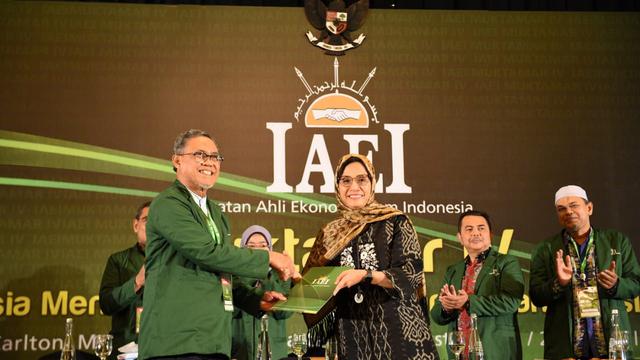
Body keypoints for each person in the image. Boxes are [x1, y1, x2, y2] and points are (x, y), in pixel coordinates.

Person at [138, 129, 299, 360]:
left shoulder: (215, 212)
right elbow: (207, 252)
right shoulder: (168, 204)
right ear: (177, 160)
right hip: (175, 343)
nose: (210, 163)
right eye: (200, 155)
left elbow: (221, 270)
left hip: (214, 342)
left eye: (215, 157)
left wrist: (255, 301)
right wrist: (269, 257)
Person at [303, 153, 439, 360]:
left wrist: (366, 275)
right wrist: (298, 284)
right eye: (346, 181)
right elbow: (313, 288)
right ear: (337, 186)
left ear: (372, 182)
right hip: (353, 335)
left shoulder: (395, 221)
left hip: (398, 333)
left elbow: (410, 274)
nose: (354, 187)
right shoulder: (330, 233)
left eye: (361, 179)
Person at [530, 185, 640, 360]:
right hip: (565, 348)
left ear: (589, 208)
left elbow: (636, 284)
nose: (568, 212)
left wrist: (616, 285)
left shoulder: (617, 241)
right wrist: (560, 283)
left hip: (610, 342)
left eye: (574, 205)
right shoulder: (546, 248)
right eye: (561, 209)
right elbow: (536, 295)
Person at [430, 210, 524, 360]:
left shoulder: (506, 262)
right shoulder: (453, 270)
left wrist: (468, 301)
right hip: (459, 353)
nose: (475, 233)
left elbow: (511, 302)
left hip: (496, 352)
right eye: (469, 229)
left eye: (481, 228)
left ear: (490, 235)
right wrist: (446, 307)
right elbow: (436, 315)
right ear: (460, 238)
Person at [231, 225, 293, 360]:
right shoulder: (234, 276)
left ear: (270, 249)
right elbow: (232, 310)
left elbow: (285, 312)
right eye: (251, 246)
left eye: (263, 245)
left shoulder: (281, 275)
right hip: (241, 351)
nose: (258, 250)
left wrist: (267, 275)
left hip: (275, 352)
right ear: (242, 250)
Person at [99, 201, 151, 355]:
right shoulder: (118, 260)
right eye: (147, 220)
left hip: (166, 348)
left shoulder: (176, 262)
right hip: (127, 350)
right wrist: (136, 283)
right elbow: (106, 304)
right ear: (136, 225)